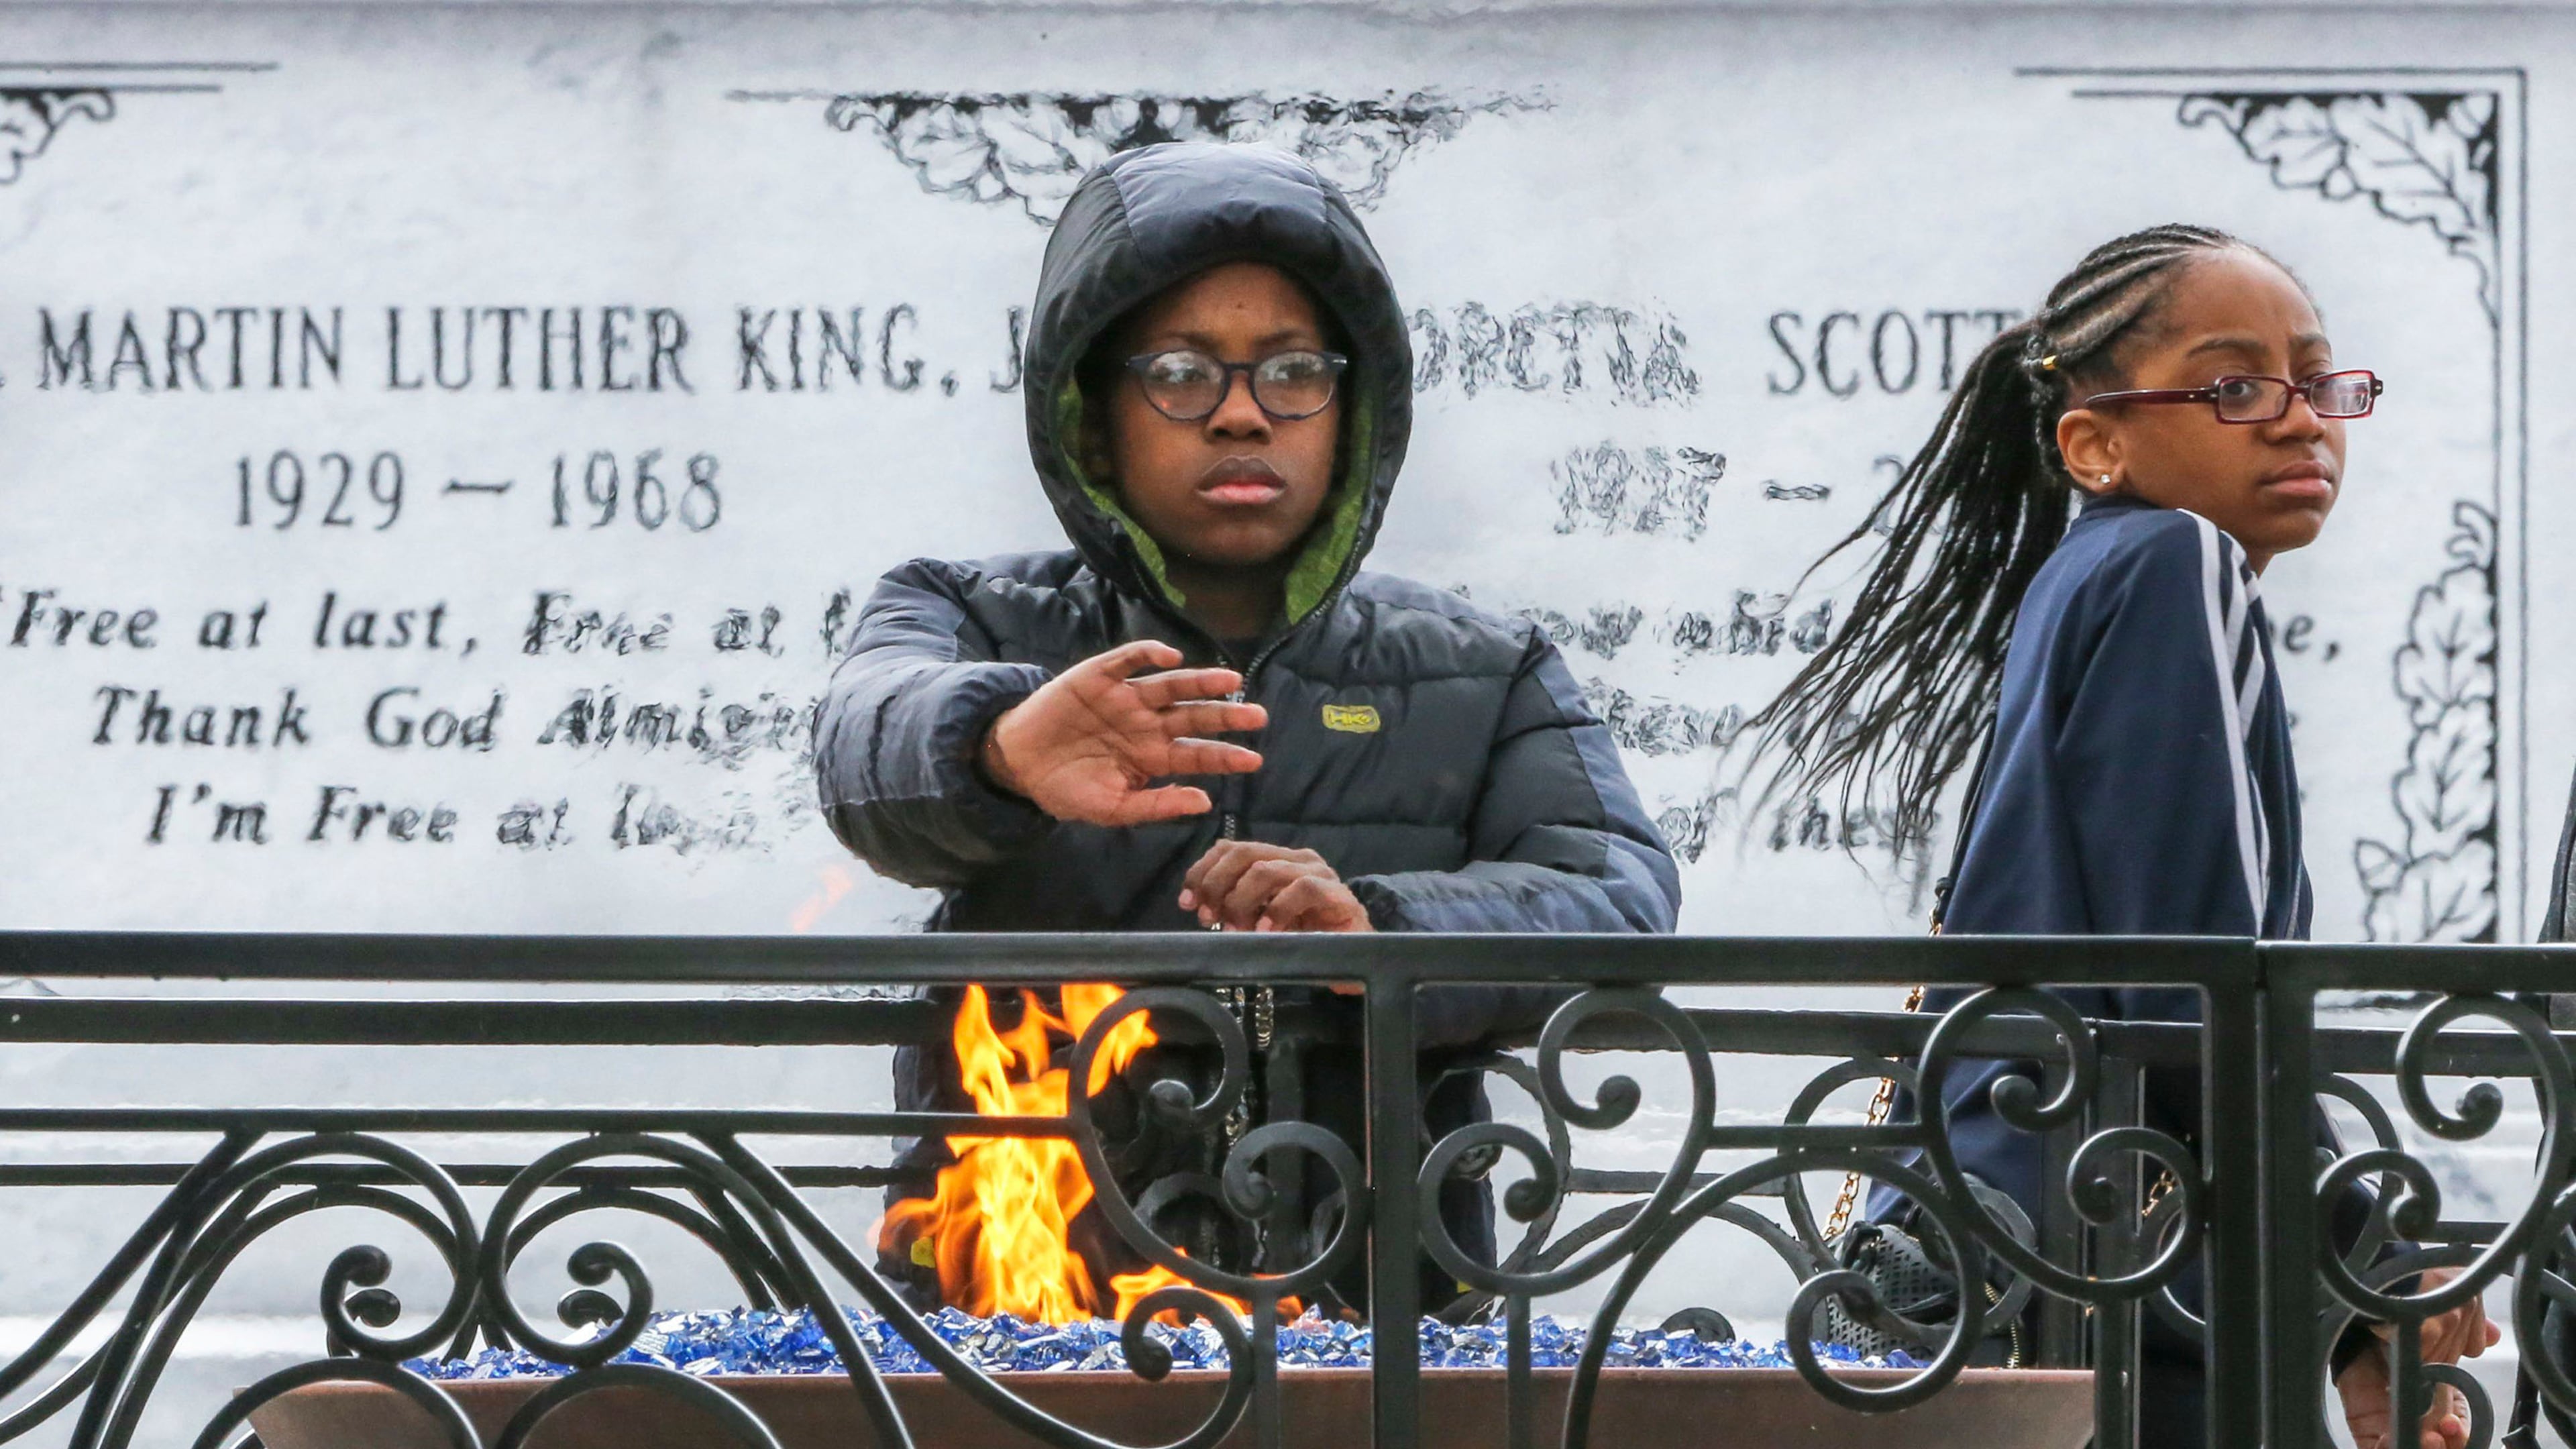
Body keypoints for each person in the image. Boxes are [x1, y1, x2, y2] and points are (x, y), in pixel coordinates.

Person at [814, 142, 1679, 1318]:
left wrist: (1377, 927)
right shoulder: (967, 612)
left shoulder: (1488, 666)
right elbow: (863, 744)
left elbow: (1617, 895)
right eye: (1178, 372)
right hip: (1021, 1302)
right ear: (1095, 414)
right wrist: (1000, 750)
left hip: (1378, 1325)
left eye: (1290, 372)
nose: (1237, 416)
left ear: (1352, 408)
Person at [1746, 225, 2492, 1448]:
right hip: (2108, 1259)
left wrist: (2349, 1323)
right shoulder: (2174, 560)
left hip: (2043, 1246)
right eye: (2237, 385)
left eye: (2319, 380)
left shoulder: (2092, 574)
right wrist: (2371, 1265)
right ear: (2096, 445)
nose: (2304, 420)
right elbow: (2206, 974)